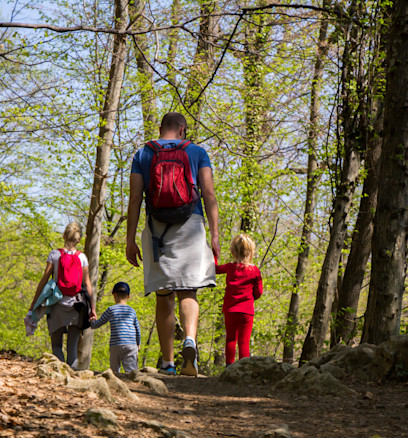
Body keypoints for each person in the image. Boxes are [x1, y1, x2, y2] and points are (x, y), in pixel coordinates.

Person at [126, 112, 220, 376]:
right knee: (189, 291)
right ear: (182, 130)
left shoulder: (144, 154)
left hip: (158, 229)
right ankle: (189, 340)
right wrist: (214, 235)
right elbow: (209, 193)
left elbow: (135, 199)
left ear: (160, 128)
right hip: (191, 224)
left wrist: (130, 239)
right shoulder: (197, 152)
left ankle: (168, 363)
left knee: (164, 295)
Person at [28, 222, 97, 368]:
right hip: (76, 307)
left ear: (64, 235)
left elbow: (44, 280)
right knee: (72, 350)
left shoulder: (54, 255)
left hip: (56, 305)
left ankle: (61, 378)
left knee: (57, 347)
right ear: (79, 240)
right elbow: (88, 284)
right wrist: (92, 309)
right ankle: (73, 380)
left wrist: (34, 304)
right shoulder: (82, 257)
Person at [215, 234, 263, 366]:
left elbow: (215, 269)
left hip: (230, 310)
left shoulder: (230, 267)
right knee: (244, 341)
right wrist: (251, 297)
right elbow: (259, 292)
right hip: (246, 312)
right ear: (252, 252)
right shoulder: (255, 271)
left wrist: (214, 255)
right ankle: (243, 367)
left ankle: (229, 366)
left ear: (233, 252)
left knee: (231, 339)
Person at [90, 282, 141, 373]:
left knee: (114, 371)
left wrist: (92, 321)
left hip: (116, 344)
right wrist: (138, 343)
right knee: (131, 371)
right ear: (128, 296)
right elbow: (137, 329)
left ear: (114, 295)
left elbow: (97, 324)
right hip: (131, 344)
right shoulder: (132, 311)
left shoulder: (111, 310)